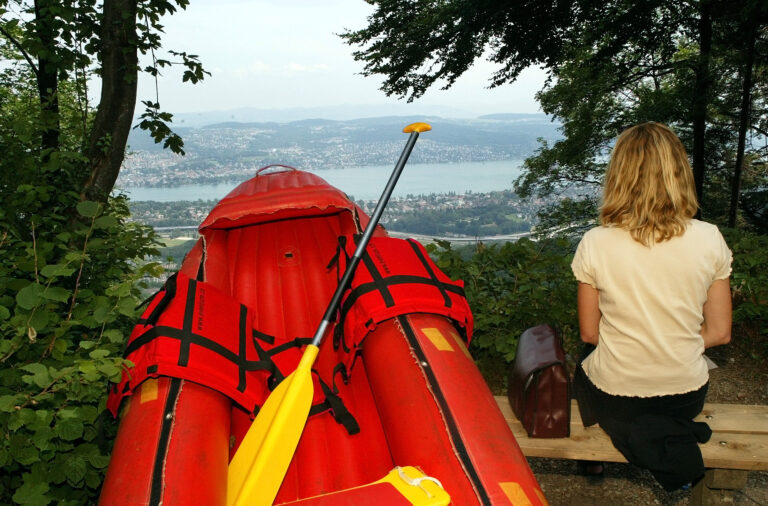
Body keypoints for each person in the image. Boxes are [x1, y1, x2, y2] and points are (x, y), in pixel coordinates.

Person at [570, 122, 732, 490]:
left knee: (584, 361)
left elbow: (590, 333)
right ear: (679, 172)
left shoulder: (595, 242)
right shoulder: (709, 238)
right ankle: (664, 437)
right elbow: (720, 333)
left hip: (617, 396)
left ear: (618, 175)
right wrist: (675, 344)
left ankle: (597, 460)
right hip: (684, 398)